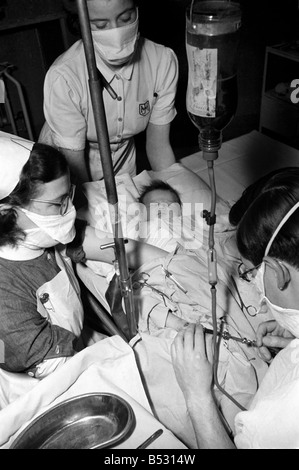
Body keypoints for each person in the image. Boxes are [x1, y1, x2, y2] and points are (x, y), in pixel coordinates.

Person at [0, 131, 169, 390]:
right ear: (8, 212)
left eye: (69, 196)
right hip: (43, 382)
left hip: (76, 346)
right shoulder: (6, 289)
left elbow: (120, 248)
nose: (69, 210)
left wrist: (176, 265)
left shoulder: (45, 236)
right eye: (58, 204)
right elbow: (56, 368)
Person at [171, 167, 299, 449]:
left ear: (278, 273)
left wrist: (198, 397)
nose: (255, 288)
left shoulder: (280, 418)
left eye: (251, 274)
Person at [38, 0, 179, 185]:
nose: (117, 33)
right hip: (64, 173)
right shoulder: (64, 77)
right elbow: (77, 175)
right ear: (80, 23)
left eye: (126, 18)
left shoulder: (161, 61)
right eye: (101, 25)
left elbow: (158, 148)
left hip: (122, 166)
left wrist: (175, 189)